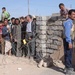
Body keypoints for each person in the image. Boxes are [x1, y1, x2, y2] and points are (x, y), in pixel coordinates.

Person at [63, 9, 75, 75]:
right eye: (73, 14)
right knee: (68, 54)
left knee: (68, 53)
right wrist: (69, 42)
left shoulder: (71, 22)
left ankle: (67, 67)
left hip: (69, 39)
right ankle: (68, 69)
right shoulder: (68, 22)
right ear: (69, 15)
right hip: (68, 40)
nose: (74, 16)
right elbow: (67, 33)